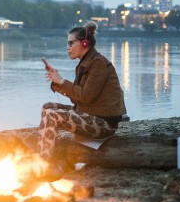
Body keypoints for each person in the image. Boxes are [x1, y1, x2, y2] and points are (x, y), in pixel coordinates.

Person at [39, 21, 126, 159]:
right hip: (89, 113)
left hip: (103, 123)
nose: (67, 47)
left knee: (52, 115)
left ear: (84, 43)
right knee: (47, 107)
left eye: (70, 43)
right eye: (67, 43)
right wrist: (57, 82)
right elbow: (76, 98)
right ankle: (50, 149)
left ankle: (44, 162)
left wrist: (61, 80)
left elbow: (85, 97)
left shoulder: (98, 63)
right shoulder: (85, 64)